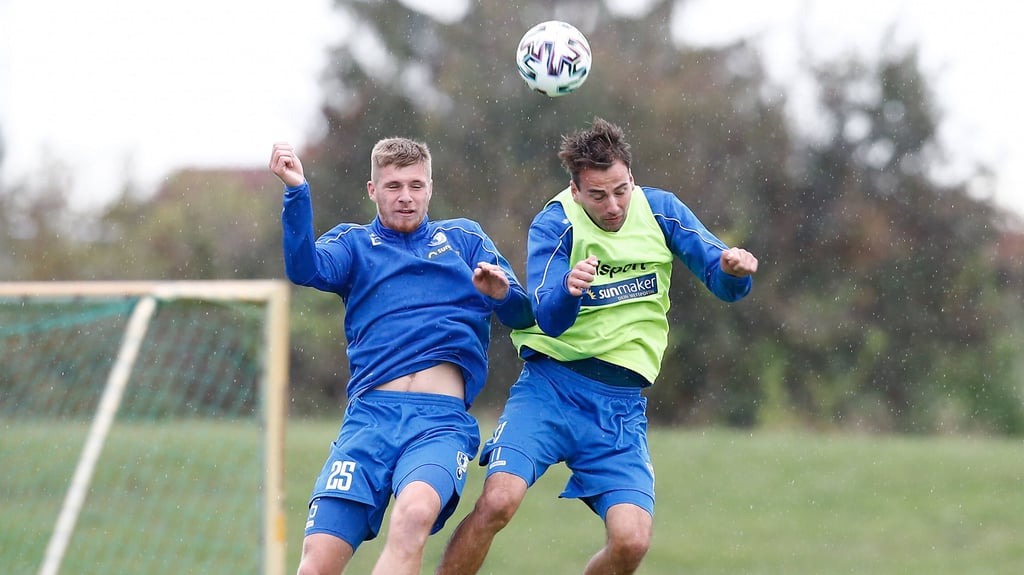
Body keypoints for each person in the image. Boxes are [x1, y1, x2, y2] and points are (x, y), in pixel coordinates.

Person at [436, 117, 759, 575]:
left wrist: (733, 271)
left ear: (632, 178)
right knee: (497, 502)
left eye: (621, 190)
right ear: (575, 191)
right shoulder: (555, 223)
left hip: (619, 409)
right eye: (598, 195)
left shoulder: (662, 211)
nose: (613, 206)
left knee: (631, 542)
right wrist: (569, 290)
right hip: (551, 390)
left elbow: (721, 280)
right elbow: (545, 315)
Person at [269, 138, 534, 575]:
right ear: (372, 190)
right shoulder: (354, 245)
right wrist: (297, 191)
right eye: (393, 186)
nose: (406, 196)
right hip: (369, 421)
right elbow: (304, 268)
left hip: (439, 424)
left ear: (430, 187)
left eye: (415, 184)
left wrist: (502, 293)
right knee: (316, 563)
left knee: (412, 516)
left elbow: (524, 313)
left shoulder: (464, 240)